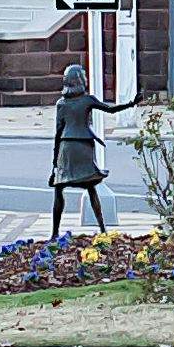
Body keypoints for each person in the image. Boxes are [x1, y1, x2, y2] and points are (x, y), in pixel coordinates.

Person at [50, 68, 139, 238]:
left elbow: (58, 132)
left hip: (66, 147)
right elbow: (110, 110)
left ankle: (54, 233)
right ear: (79, 80)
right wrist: (131, 103)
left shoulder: (61, 103)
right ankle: (103, 229)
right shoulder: (87, 100)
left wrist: (54, 163)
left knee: (59, 188)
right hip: (83, 146)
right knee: (91, 187)